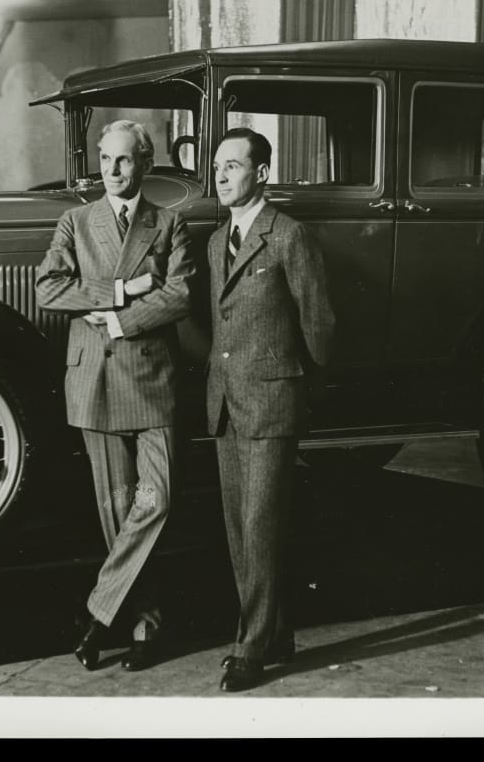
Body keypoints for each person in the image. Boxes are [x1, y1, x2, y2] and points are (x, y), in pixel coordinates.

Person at [36, 120, 195, 672]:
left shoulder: (169, 224)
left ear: (145, 164)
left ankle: (99, 615)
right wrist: (124, 289)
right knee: (117, 509)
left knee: (158, 501)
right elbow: (49, 288)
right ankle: (145, 624)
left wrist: (121, 322)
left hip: (152, 379)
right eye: (105, 159)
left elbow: (180, 294)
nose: (111, 170)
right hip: (96, 382)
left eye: (124, 160)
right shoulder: (75, 221)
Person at [207, 127, 336, 693]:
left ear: (261, 173)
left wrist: (302, 386)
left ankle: (251, 646)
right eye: (218, 167)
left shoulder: (289, 237)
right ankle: (275, 630)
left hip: (272, 401)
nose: (222, 175)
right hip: (225, 406)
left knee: (260, 527)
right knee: (239, 530)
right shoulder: (216, 242)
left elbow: (320, 322)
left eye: (233, 165)